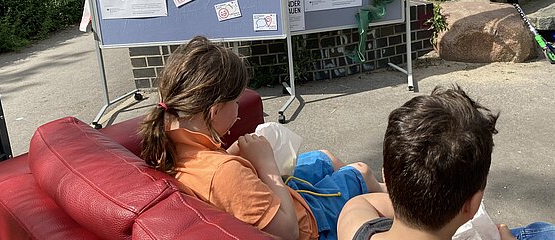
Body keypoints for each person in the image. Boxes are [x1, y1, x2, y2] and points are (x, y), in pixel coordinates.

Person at [139, 36, 386, 240]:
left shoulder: (169, 135)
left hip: (269, 197)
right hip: (309, 226)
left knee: (326, 158)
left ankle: (386, 192)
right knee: (361, 171)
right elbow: (288, 232)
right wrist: (266, 165)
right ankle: (406, 207)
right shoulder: (224, 173)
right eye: (236, 103)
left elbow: (214, 176)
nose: (238, 110)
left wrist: (233, 153)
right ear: (214, 110)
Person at [337, 87, 555, 240]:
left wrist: (410, 197)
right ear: (473, 204)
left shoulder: (355, 230)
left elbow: (360, 202)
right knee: (553, 235)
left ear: (386, 177)